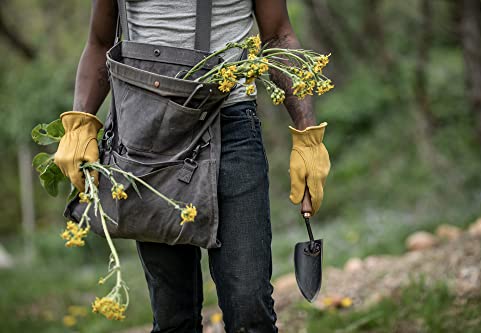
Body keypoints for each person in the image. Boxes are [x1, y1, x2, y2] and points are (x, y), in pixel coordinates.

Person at [54, 0, 331, 332]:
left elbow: (277, 35)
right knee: (174, 316)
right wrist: (81, 122)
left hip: (231, 125)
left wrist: (307, 136)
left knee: (249, 307)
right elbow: (100, 42)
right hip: (147, 134)